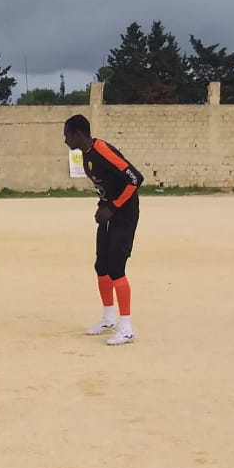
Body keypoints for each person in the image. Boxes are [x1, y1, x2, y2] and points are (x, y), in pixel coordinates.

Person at [62, 114, 143, 345]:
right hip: (108, 213)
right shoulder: (85, 155)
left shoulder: (102, 150)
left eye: (66, 135)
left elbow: (135, 179)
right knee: (102, 266)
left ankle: (126, 328)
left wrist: (114, 207)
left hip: (124, 215)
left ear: (78, 134)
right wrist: (103, 206)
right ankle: (109, 318)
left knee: (117, 268)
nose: (64, 140)